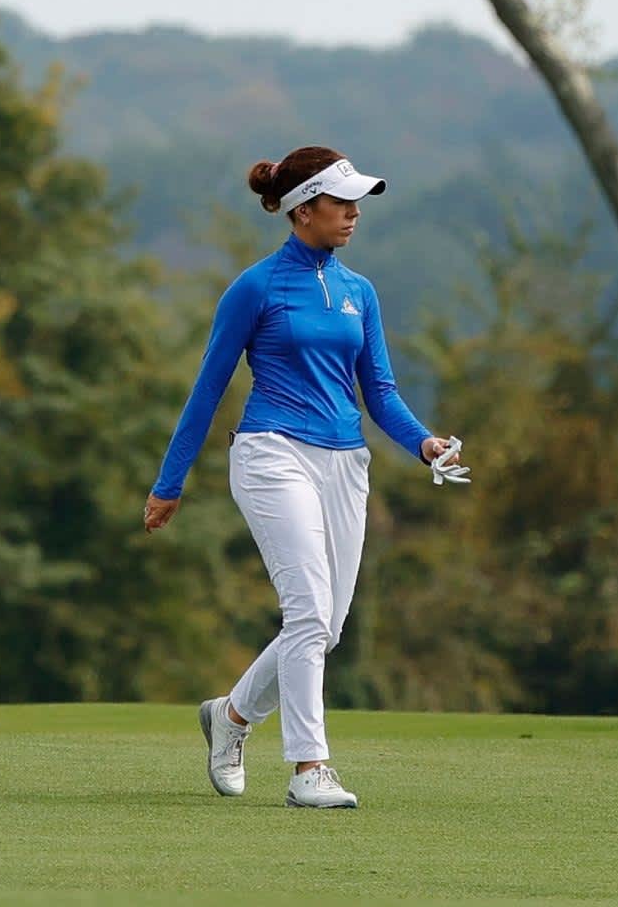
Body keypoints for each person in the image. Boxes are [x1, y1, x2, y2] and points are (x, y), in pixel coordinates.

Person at [142, 144, 469, 810]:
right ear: (302, 209)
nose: (353, 213)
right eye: (340, 202)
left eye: (355, 202)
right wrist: (169, 482)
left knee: (324, 627)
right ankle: (308, 770)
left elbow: (378, 391)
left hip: (346, 461)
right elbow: (207, 389)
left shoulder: (359, 292)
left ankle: (230, 719)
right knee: (308, 612)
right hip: (271, 452)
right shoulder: (257, 287)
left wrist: (425, 443)